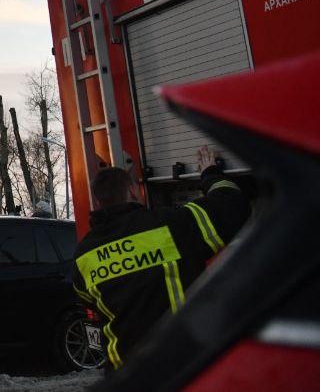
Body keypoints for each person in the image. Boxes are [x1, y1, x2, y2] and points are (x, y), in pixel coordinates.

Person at [72, 152, 249, 371]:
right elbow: (231, 206)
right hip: (178, 363)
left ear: (98, 202)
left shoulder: (83, 254)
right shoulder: (167, 225)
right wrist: (210, 173)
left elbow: (88, 300)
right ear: (132, 191)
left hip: (126, 373)